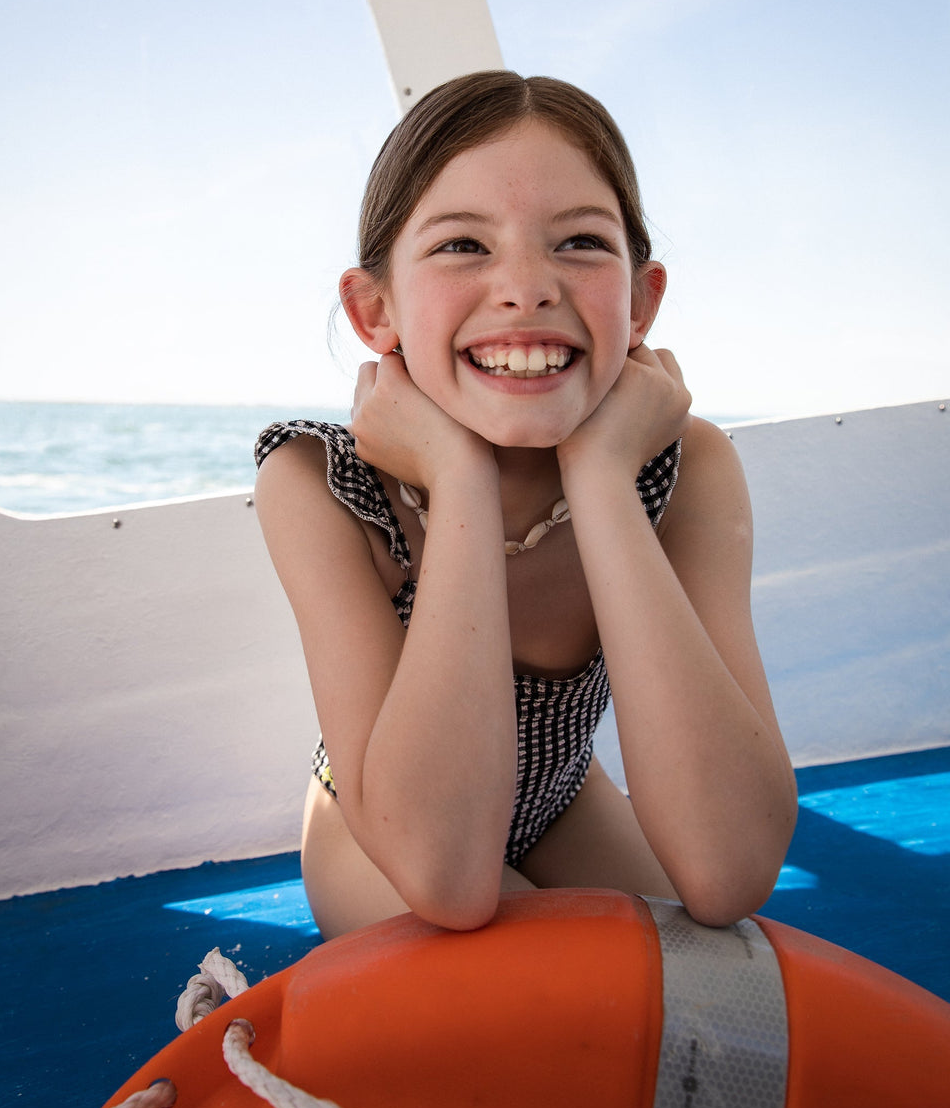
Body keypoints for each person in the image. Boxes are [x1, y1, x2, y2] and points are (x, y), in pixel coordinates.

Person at [254, 70, 796, 947]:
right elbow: (443, 876)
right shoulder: (318, 482)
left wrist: (603, 478)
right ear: (375, 310)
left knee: (710, 969)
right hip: (382, 832)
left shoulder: (684, 466)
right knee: (523, 992)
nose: (527, 287)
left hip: (562, 800)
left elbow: (729, 869)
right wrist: (458, 477)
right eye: (464, 245)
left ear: (642, 301)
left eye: (580, 241)